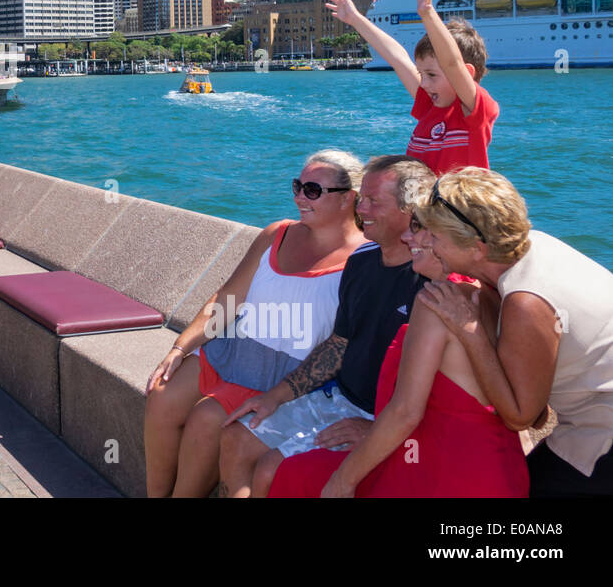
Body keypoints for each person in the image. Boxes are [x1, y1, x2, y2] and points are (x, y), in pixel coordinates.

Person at [141, 150, 366, 497]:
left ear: (348, 198)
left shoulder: (364, 260)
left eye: (312, 190)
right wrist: (179, 347)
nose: (298, 197)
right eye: (297, 186)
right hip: (232, 351)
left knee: (206, 420)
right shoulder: (277, 233)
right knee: (160, 394)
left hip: (283, 373)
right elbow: (228, 298)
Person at [268, 202, 528, 497]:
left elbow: (405, 412)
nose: (409, 238)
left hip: (440, 474)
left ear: (462, 242)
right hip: (494, 466)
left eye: (425, 231)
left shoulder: (438, 301)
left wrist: (342, 482)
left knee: (296, 475)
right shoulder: (496, 295)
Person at [218, 156, 436, 496]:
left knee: (271, 471)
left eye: (373, 201)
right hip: (339, 399)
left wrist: (377, 428)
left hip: (382, 417)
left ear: (412, 210)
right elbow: (339, 345)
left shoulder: (431, 283)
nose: (360, 207)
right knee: (235, 438)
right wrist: (274, 397)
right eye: (361, 197)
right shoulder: (362, 262)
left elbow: (441, 391)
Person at [412, 167, 613, 496]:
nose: (421, 240)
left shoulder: (527, 302)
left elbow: (521, 416)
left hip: (602, 432)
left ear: (477, 249)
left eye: (434, 235)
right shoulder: (532, 246)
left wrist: (471, 331)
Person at [325, 0, 497, 175]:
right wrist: (355, 19)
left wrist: (428, 14)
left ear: (467, 74)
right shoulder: (429, 106)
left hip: (459, 206)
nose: (423, 83)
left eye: (431, 75)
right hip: (424, 206)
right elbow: (397, 57)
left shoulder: (474, 112)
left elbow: (452, 64)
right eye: (421, 74)